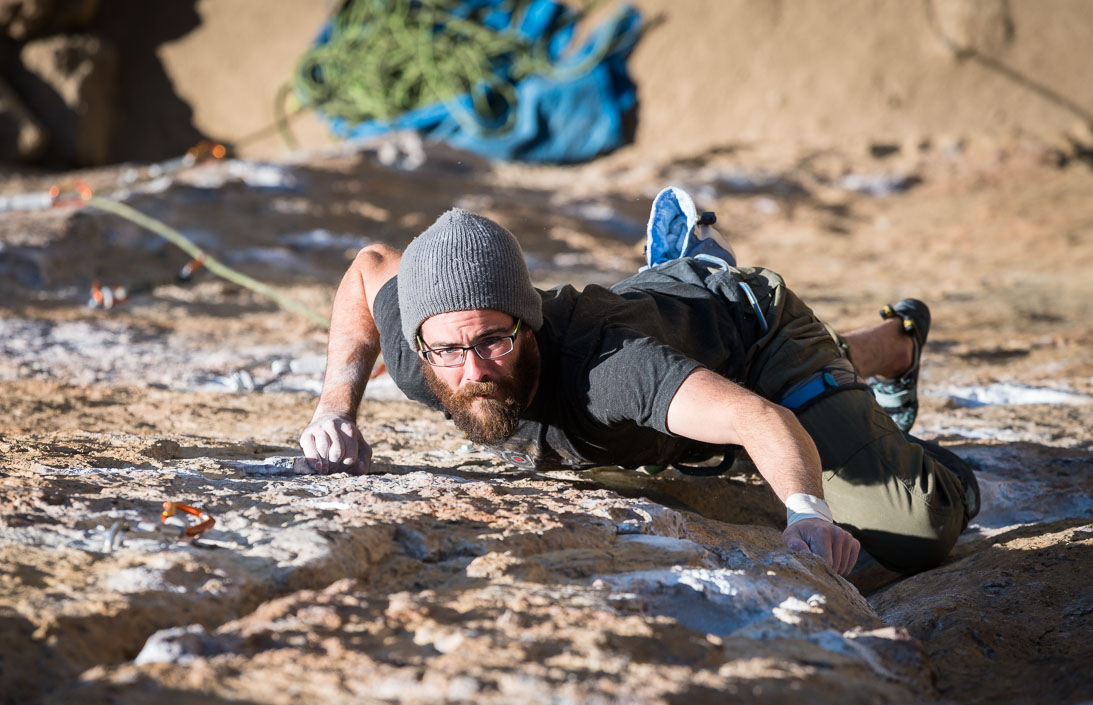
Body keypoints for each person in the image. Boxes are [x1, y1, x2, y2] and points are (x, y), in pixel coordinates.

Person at [298, 192, 979, 576]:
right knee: (678, 361)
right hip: (661, 321)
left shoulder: (612, 369)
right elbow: (370, 265)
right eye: (447, 350)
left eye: (493, 342)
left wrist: (807, 513)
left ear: (528, 323)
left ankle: (901, 385)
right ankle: (688, 266)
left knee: (914, 530)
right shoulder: (432, 346)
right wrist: (337, 407)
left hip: (755, 340)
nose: (471, 370)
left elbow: (758, 421)